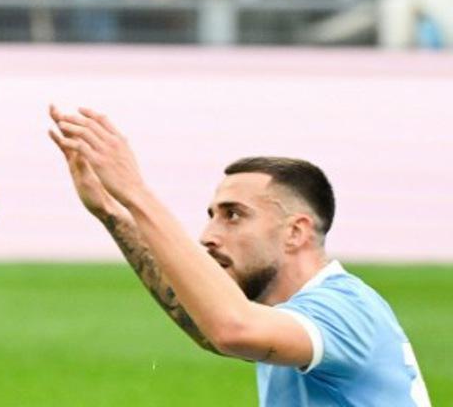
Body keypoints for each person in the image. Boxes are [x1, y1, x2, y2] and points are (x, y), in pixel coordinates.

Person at [48, 106, 433, 406]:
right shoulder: (290, 316)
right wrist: (111, 212)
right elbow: (210, 325)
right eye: (212, 216)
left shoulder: (343, 310)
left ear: (295, 232)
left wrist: (136, 194)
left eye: (233, 215)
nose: (208, 236)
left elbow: (232, 330)